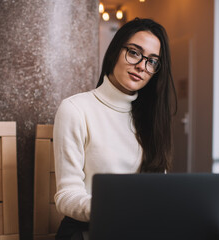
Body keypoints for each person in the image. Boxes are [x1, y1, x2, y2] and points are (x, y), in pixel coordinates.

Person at [53, 18, 176, 240]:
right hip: (87, 231)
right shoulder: (75, 109)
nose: (141, 66)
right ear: (114, 52)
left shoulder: (151, 120)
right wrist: (115, 209)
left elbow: (156, 192)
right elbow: (67, 196)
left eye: (152, 61)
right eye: (134, 52)